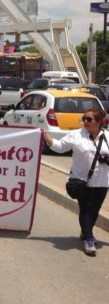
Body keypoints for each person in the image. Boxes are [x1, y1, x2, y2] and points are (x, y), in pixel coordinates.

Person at [43, 108, 109, 256]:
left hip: (102, 182)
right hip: (80, 181)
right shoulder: (76, 135)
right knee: (85, 210)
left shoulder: (107, 137)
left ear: (99, 122)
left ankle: (85, 231)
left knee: (94, 211)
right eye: (84, 118)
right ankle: (89, 239)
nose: (85, 121)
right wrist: (45, 136)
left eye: (89, 119)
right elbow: (59, 147)